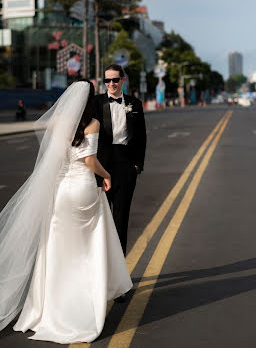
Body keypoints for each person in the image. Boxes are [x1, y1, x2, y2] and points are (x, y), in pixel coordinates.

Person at [0, 80, 132, 344]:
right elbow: (89, 161)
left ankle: (49, 308)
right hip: (82, 187)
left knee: (57, 250)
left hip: (60, 191)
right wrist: (106, 176)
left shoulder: (58, 121)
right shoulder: (92, 124)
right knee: (86, 250)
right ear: (89, 100)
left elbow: (54, 156)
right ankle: (81, 306)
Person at [94, 64, 147, 261]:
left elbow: (141, 136)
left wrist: (137, 166)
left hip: (125, 166)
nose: (111, 84)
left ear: (122, 80)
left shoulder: (134, 103)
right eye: (107, 80)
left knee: (120, 220)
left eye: (115, 80)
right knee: (100, 221)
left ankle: (120, 274)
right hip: (101, 167)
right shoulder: (96, 103)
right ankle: (102, 270)